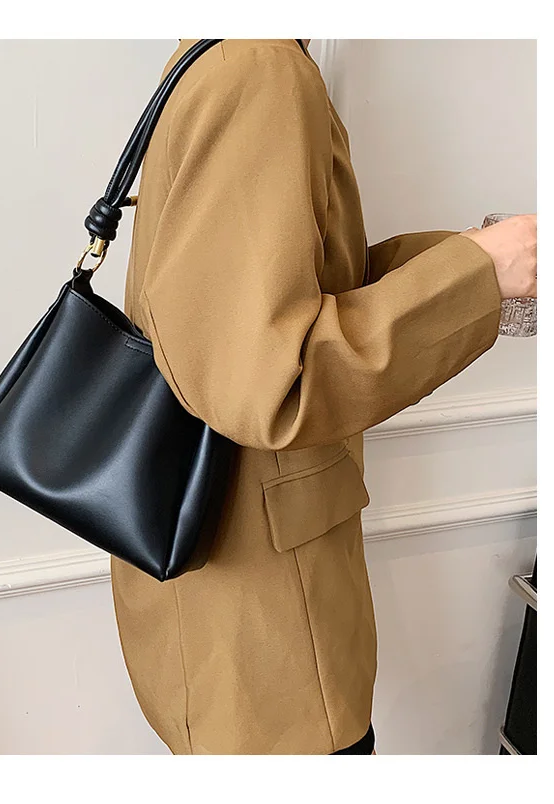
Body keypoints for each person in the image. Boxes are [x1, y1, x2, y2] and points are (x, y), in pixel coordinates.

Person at [109, 38, 537, 755]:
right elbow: (269, 383)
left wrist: (477, 265)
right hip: (265, 607)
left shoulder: (230, 53)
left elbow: (281, 298)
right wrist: (478, 276)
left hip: (230, 583)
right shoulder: (260, 68)